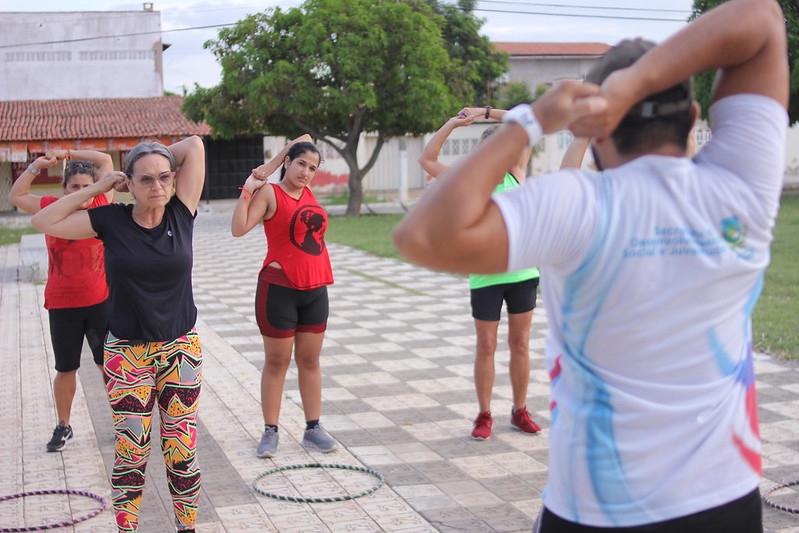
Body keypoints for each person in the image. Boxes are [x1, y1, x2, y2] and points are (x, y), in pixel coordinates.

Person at [393, 0, 788, 530]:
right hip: (723, 501)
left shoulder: (574, 205)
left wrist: (531, 120)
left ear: (594, 128)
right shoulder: (742, 191)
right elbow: (762, 16)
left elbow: (420, 236)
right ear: (694, 117)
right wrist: (637, 84)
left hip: (594, 510)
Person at [32, 136, 206, 533]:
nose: (157, 187)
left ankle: (188, 528)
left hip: (180, 350)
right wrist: (98, 186)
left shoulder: (182, 211)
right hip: (127, 354)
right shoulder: (110, 219)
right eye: (145, 180)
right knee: (132, 451)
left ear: (175, 179)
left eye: (164, 177)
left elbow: (194, 144)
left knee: (182, 452)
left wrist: (151, 153)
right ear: (129, 182)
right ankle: (127, 528)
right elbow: (44, 221)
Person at [419, 111, 542, 440]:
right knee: (486, 345)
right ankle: (484, 414)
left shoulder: (517, 173)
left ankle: (519, 411)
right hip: (485, 276)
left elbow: (528, 118)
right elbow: (427, 158)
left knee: (521, 342)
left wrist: (486, 114)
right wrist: (453, 123)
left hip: (523, 272)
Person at [231, 135, 337, 458]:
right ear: (289, 163)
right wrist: (260, 176)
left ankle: (313, 428)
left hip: (315, 289)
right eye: (301, 163)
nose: (306, 172)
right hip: (278, 289)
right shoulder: (270, 193)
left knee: (310, 360)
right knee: (277, 362)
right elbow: (238, 229)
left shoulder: (308, 193)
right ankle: (271, 430)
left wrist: (288, 157)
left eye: (313, 168)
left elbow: (304, 139)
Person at [9, 149, 114, 452]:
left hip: (99, 301)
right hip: (61, 303)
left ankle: (123, 422)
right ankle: (63, 426)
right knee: (66, 368)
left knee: (107, 365)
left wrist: (68, 152)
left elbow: (106, 161)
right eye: (74, 187)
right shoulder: (50, 207)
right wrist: (35, 166)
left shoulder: (99, 205)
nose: (80, 192)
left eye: (86, 186)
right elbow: (18, 195)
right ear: (63, 189)